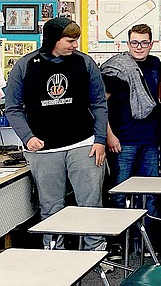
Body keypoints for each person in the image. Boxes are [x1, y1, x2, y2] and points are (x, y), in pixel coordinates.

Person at [5, 17, 108, 251]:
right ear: (53, 40)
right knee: (51, 206)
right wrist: (27, 137)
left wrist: (100, 139)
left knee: (90, 202)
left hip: (84, 143)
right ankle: (54, 253)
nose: (74, 45)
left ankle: (95, 250)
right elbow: (12, 107)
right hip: (44, 148)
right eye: (70, 40)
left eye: (76, 41)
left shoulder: (85, 63)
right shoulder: (26, 65)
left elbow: (100, 104)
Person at [101, 24, 161, 215]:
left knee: (151, 192)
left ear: (151, 44)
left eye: (144, 43)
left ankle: (149, 240)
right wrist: (109, 136)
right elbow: (100, 106)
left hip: (150, 140)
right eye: (135, 42)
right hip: (123, 141)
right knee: (120, 192)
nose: (139, 47)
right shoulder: (115, 68)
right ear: (127, 44)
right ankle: (121, 240)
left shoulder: (155, 64)